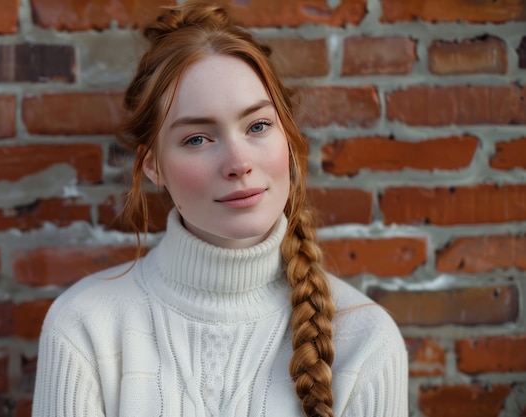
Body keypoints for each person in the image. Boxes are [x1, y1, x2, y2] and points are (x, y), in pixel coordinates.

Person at [31, 1, 409, 416]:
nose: (238, 162)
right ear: (153, 166)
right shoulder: (84, 328)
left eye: (258, 126)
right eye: (197, 138)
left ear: (287, 136)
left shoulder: (365, 340)